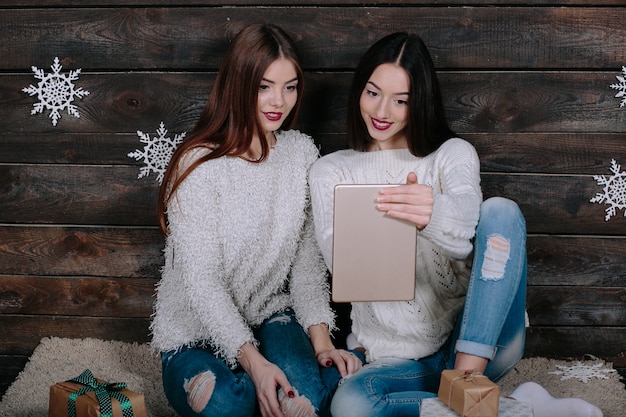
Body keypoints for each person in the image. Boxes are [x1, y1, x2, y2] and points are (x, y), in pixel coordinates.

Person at [309, 32, 603, 417]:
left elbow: (467, 229)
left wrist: (431, 214)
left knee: (500, 211)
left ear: (421, 103)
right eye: (372, 93)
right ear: (359, 92)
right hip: (396, 358)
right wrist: (384, 225)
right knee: (350, 405)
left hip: (479, 342)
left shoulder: (452, 154)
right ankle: (510, 407)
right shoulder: (331, 171)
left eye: (401, 100)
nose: (383, 111)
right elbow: (342, 267)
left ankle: (466, 381)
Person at [149, 23, 361, 417]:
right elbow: (202, 281)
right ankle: (249, 380)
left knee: (311, 401)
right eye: (264, 86)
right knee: (232, 402)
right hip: (194, 330)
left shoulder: (301, 154)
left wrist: (321, 343)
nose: (278, 101)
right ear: (239, 84)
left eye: (290, 86)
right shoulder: (196, 164)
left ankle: (340, 368)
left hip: (271, 313)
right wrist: (256, 364)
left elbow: (306, 266)